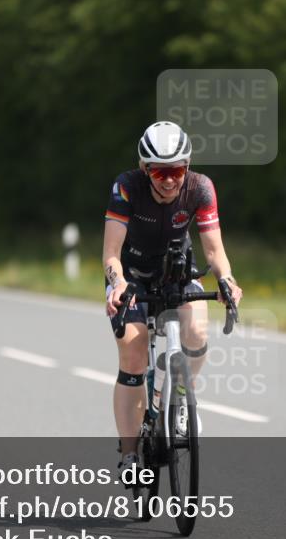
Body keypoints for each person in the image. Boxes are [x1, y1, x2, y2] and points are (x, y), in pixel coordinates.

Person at [103, 121, 243, 474]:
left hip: (178, 272)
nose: (169, 179)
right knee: (134, 355)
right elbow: (111, 253)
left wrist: (227, 280)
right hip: (131, 277)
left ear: (188, 166)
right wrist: (117, 282)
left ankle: (180, 399)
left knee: (197, 333)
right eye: (160, 171)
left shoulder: (200, 188)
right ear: (145, 169)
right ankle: (130, 453)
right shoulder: (126, 187)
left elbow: (214, 251)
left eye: (177, 170)